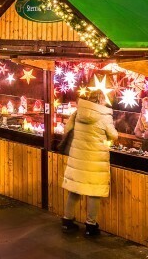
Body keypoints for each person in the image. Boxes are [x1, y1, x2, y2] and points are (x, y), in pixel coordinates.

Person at [60, 89, 119, 236]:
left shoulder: (78, 111)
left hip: (78, 156)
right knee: (94, 191)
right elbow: (114, 135)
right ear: (100, 99)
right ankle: (90, 226)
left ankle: (67, 221)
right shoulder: (104, 115)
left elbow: (67, 129)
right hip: (95, 160)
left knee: (75, 189)